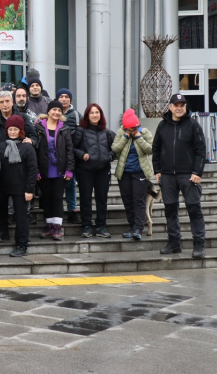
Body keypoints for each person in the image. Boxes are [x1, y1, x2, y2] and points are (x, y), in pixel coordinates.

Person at [152, 94, 207, 259]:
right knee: (170, 209)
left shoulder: (193, 125)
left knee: (194, 208)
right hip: (168, 175)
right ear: (170, 107)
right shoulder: (162, 126)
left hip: (188, 175)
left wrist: (197, 172)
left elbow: (201, 150)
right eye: (176, 104)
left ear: (185, 107)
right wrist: (157, 170)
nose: (179, 107)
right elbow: (156, 149)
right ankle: (174, 243)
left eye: (182, 104)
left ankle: (199, 244)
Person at [0, 115, 38, 257]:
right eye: (10, 129)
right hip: (2, 185)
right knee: (0, 211)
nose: (13, 132)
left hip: (21, 187)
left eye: (16, 129)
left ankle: (22, 244)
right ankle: (3, 233)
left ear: (21, 131)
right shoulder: (0, 146)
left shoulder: (27, 147)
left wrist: (30, 189)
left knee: (21, 217)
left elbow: (32, 169)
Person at [72, 103, 115, 238]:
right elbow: (73, 148)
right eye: (92, 113)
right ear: (87, 115)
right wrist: (82, 155)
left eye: (97, 113)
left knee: (101, 199)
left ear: (100, 115)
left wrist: (110, 156)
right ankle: (86, 226)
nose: (95, 115)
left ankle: (101, 226)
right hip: (86, 170)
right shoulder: (80, 130)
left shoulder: (106, 132)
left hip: (103, 170)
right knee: (85, 198)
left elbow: (115, 148)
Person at [34, 100, 75, 242]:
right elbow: (35, 150)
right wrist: (36, 171)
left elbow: (70, 150)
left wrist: (69, 169)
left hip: (59, 170)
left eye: (59, 110)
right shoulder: (38, 127)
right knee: (46, 199)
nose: (57, 112)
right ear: (49, 111)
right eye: (54, 110)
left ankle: (57, 227)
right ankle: (49, 225)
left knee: (57, 198)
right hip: (44, 170)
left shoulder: (64, 128)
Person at [112, 109, 155, 241]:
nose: (131, 131)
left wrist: (139, 138)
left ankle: (138, 228)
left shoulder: (144, 132)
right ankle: (132, 227)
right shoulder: (121, 133)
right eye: (128, 129)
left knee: (138, 200)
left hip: (140, 172)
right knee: (128, 200)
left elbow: (151, 149)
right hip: (124, 173)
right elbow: (115, 149)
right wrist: (125, 137)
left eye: (133, 129)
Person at [56, 88, 81, 223]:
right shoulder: (54, 113)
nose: (64, 99)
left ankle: (72, 210)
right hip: (57, 156)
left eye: (66, 96)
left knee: (71, 184)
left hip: (72, 155)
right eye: (61, 96)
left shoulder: (76, 115)